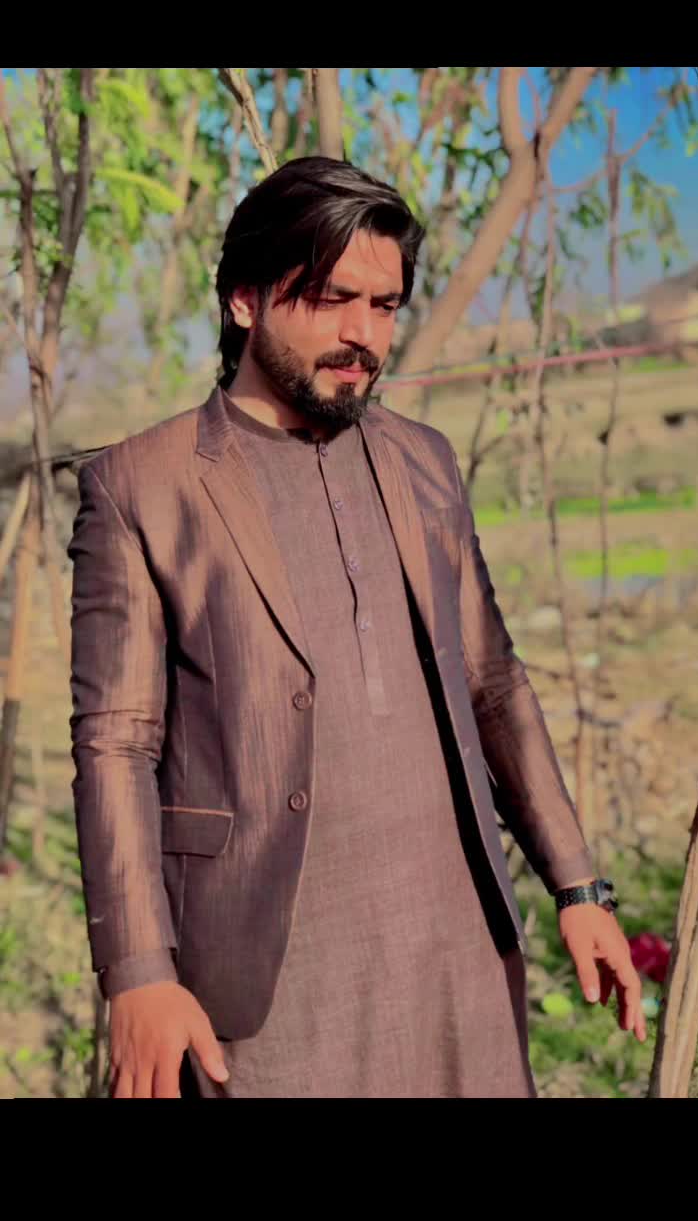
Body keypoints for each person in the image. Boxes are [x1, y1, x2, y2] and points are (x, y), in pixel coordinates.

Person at [67, 156, 645, 1100]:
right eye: (333, 299)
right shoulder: (143, 486)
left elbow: (494, 681)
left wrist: (578, 887)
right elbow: (115, 744)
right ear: (245, 298)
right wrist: (138, 972)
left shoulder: (424, 461)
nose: (362, 335)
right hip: (269, 982)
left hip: (458, 949)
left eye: (384, 306)